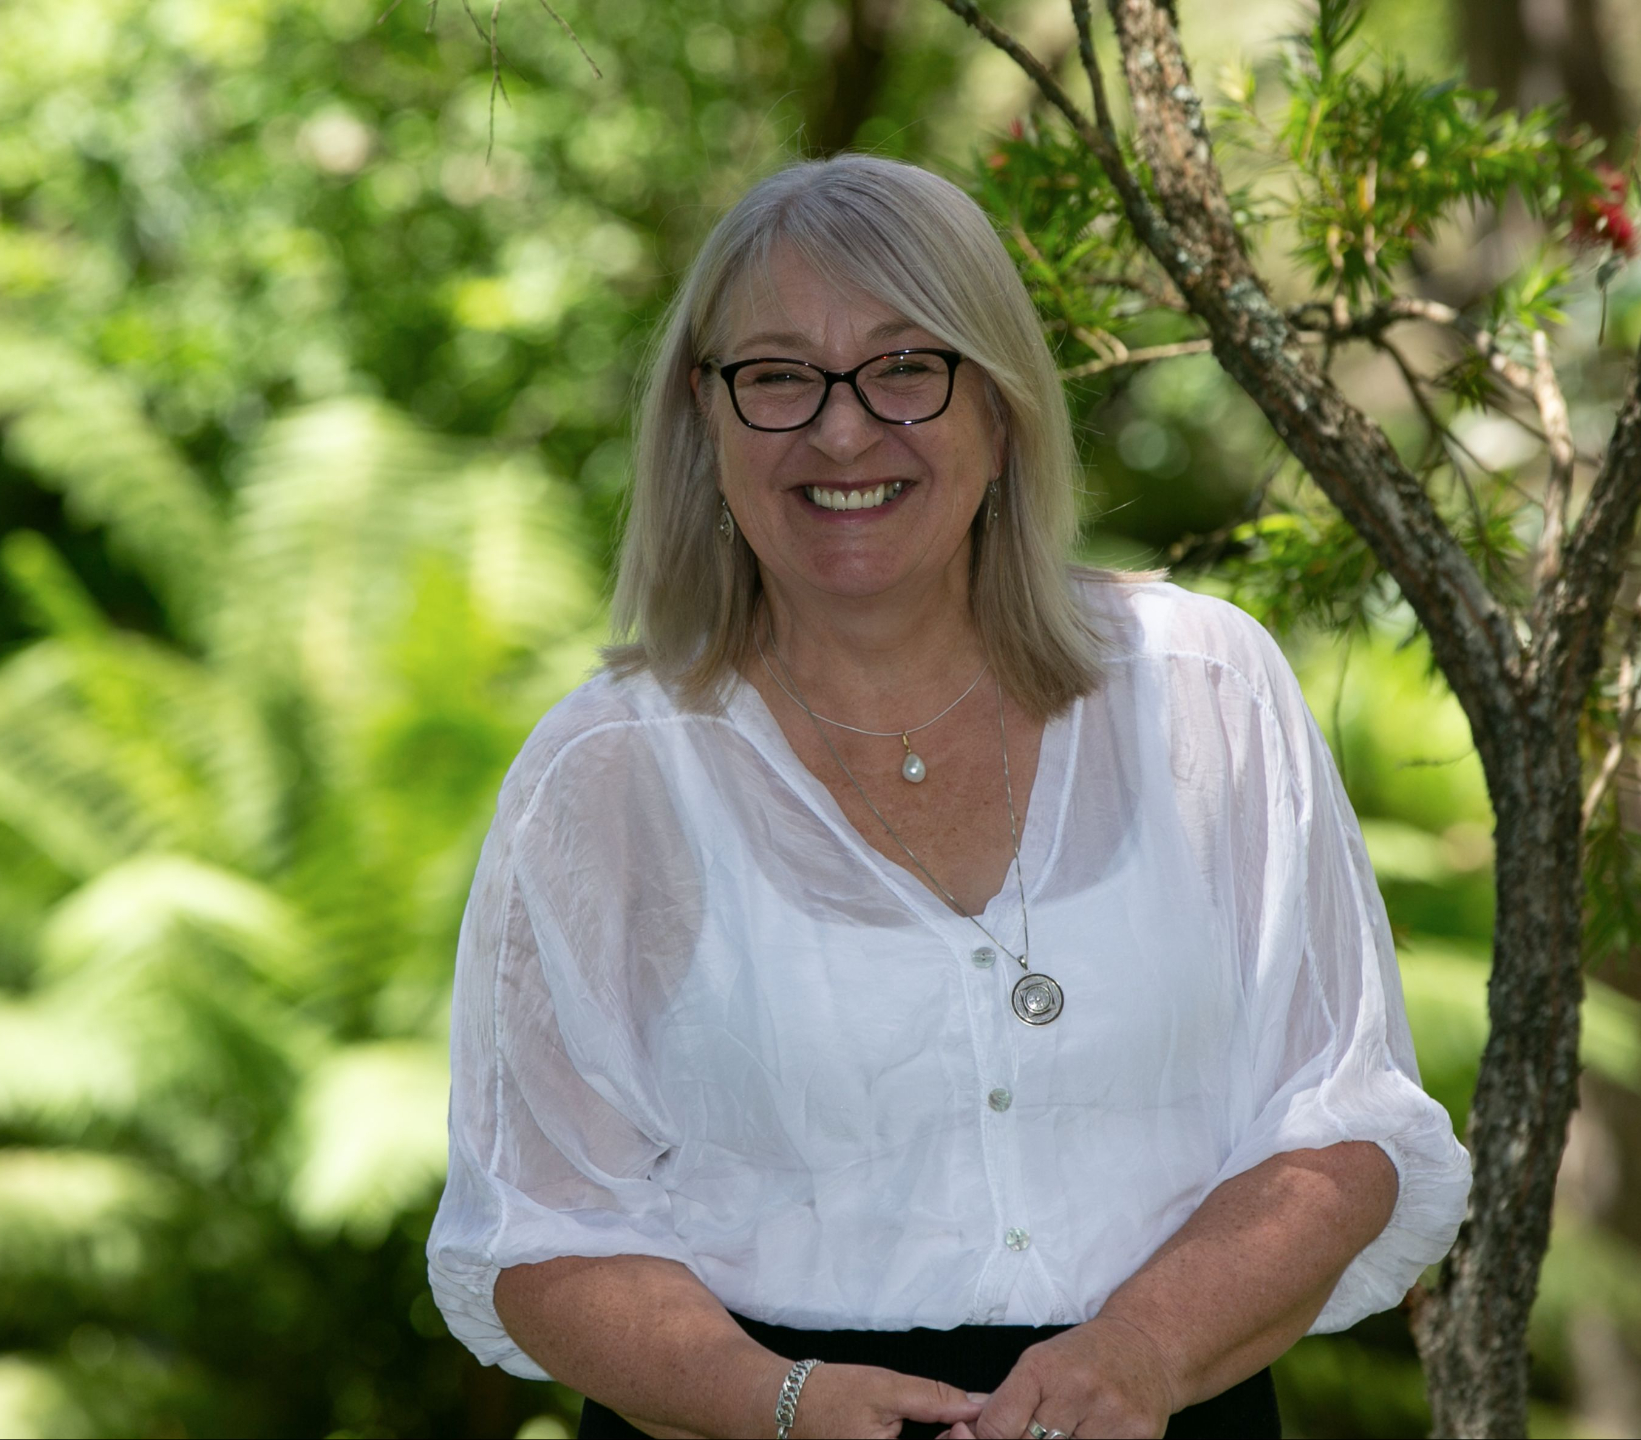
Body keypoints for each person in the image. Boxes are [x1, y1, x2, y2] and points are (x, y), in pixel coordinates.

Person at [426, 154, 1469, 1440]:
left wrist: (1143, 1354)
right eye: (779, 376)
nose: (843, 431)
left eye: (907, 366)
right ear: (705, 414)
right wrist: (775, 1401)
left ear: (1003, 406)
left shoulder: (1203, 693)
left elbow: (1343, 1125)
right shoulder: (610, 770)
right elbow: (538, 1232)